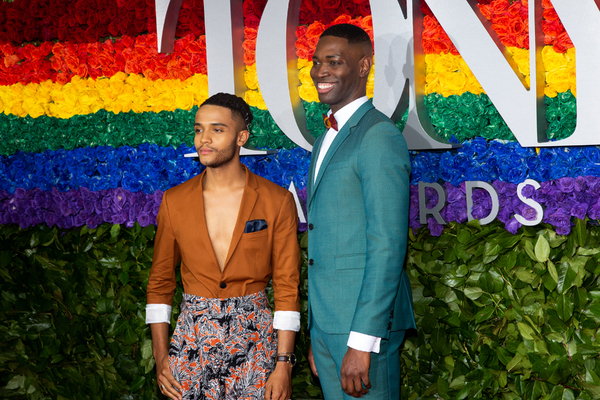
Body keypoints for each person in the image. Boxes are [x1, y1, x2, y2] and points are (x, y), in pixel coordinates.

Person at [146, 92, 301, 400]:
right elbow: (160, 283)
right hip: (191, 342)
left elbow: (288, 286)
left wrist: (283, 364)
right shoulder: (174, 201)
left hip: (255, 342)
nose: (204, 139)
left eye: (217, 130)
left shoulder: (277, 201)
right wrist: (162, 357)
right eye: (198, 129)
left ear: (241, 137)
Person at [306, 24, 416, 399]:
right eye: (317, 61)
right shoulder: (326, 137)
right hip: (330, 325)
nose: (320, 71)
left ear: (364, 66)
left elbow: (387, 244)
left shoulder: (378, 136)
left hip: (362, 330)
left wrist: (362, 340)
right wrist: (319, 331)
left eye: (334, 62)